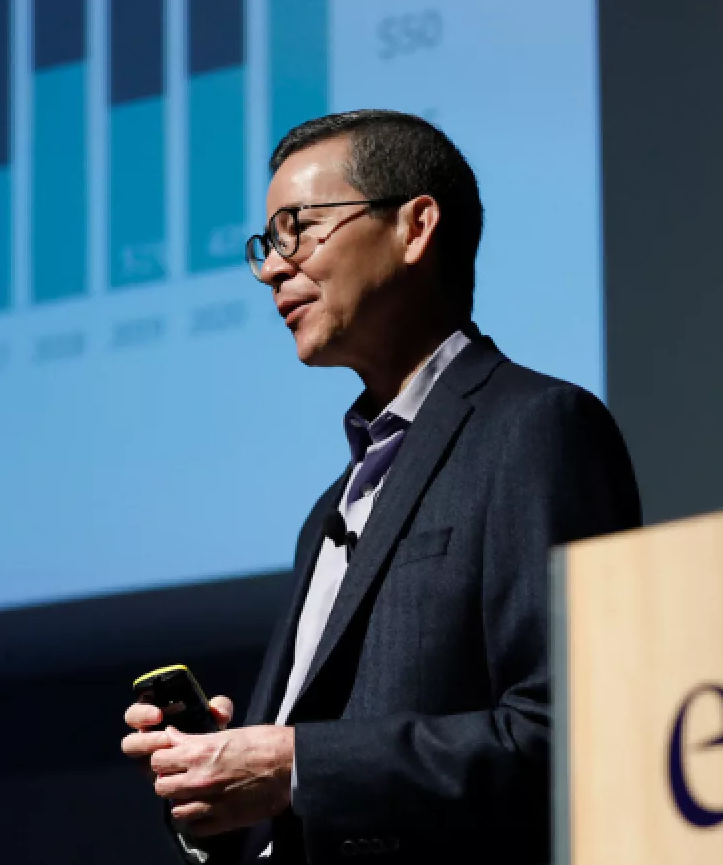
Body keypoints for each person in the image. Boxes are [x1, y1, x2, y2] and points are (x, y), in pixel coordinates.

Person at [122, 110, 641, 864]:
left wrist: (295, 765)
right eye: (267, 245)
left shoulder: (537, 428)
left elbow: (570, 734)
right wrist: (220, 786)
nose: (272, 269)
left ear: (414, 228)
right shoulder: (325, 512)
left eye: (298, 229)